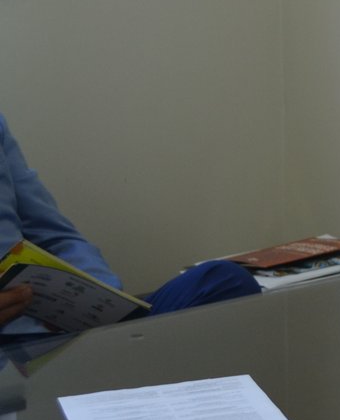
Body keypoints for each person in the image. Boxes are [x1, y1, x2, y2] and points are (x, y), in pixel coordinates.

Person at [0, 110, 259, 339]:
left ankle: (120, 357)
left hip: (60, 333)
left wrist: (102, 300)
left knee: (227, 281)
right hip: (10, 354)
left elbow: (56, 236)